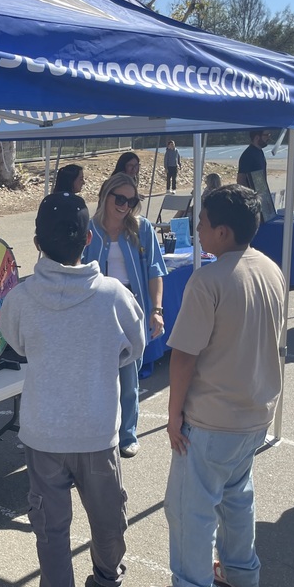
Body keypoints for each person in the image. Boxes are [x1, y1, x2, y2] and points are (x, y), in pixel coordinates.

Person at [0, 193, 146, 587]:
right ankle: (108, 575)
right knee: (107, 513)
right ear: (88, 239)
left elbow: (17, 344)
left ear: (37, 242)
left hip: (44, 432)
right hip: (98, 429)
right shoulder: (114, 296)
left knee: (51, 528)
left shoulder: (21, 298)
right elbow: (134, 349)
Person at [145, 185, 285, 587]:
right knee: (237, 497)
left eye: (202, 223)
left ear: (222, 232)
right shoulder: (270, 270)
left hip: (212, 419)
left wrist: (173, 416)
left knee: (191, 510)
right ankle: (242, 573)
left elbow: (184, 357)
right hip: (255, 412)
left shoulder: (208, 281)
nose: (198, 230)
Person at [83, 172, 167, 457]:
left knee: (129, 378)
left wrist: (157, 310)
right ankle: (98, 432)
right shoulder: (88, 229)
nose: (124, 205)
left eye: (131, 201)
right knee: (97, 377)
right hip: (96, 311)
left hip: (132, 309)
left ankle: (127, 435)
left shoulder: (142, 229)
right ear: (105, 196)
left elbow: (155, 271)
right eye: (119, 198)